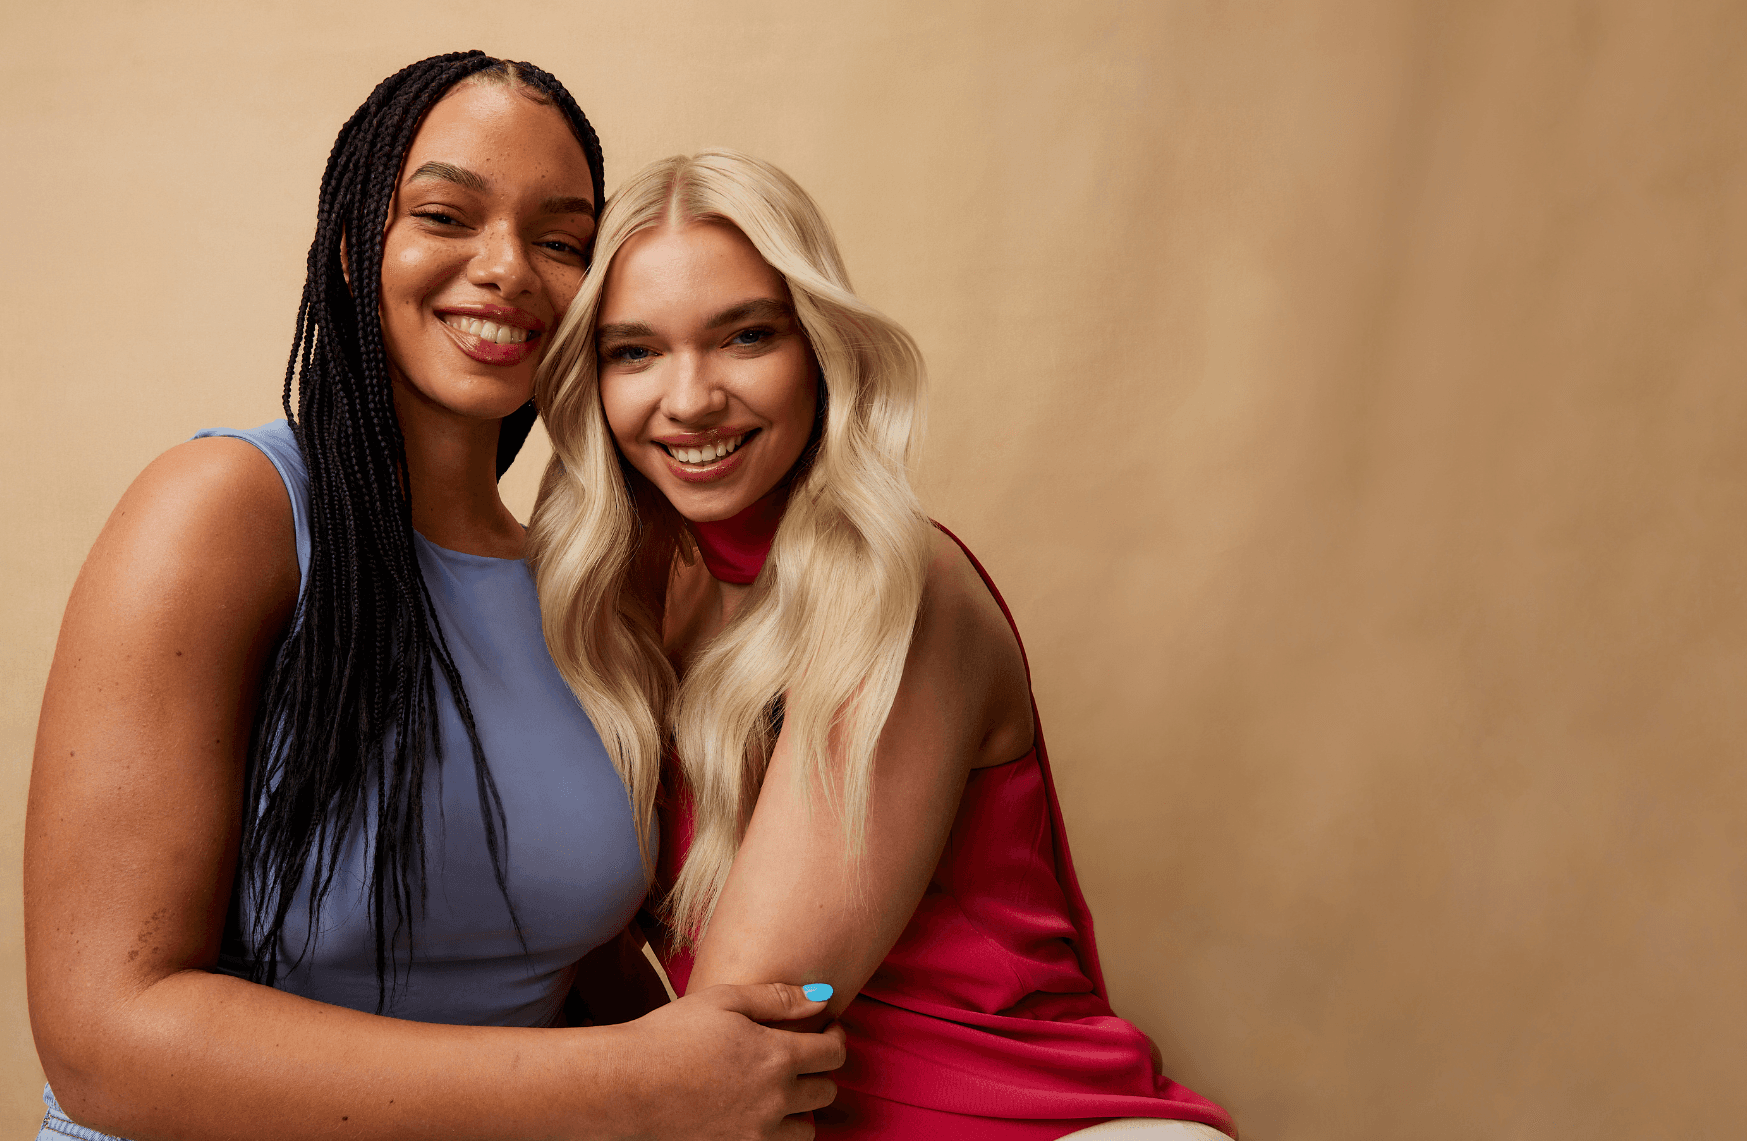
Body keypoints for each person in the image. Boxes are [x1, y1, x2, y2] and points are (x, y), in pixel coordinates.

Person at [24, 54, 842, 1141]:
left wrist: (720, 1079)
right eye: (448, 214)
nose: (506, 268)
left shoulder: (591, 589)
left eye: (560, 241)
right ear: (360, 247)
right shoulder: (228, 510)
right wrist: (635, 1088)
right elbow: (103, 1042)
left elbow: (563, 957)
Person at [529, 150, 1239, 1139]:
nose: (689, 398)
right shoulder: (619, 605)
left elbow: (740, 1021)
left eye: (744, 336)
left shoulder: (903, 589)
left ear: (818, 346)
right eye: (635, 352)